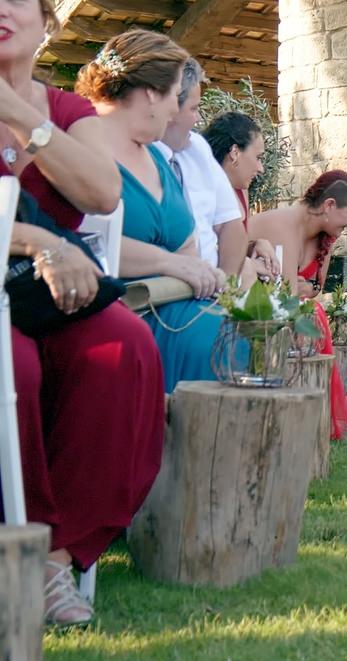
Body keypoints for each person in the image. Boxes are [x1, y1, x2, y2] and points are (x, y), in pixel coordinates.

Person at [1, 6, 165, 626]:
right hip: (25, 278)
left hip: (49, 298)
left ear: (46, 20)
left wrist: (17, 110)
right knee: (10, 363)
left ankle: (55, 558)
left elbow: (102, 192)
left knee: (122, 343)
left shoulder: (68, 111)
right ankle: (19, 541)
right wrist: (39, 240)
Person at [79, 29, 227, 392]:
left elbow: (187, 245)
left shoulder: (157, 157)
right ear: (150, 94)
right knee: (214, 337)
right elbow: (85, 242)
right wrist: (168, 263)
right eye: (175, 97)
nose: (177, 110)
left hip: (177, 304)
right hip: (116, 308)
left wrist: (201, 273)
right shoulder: (82, 143)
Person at [248, 170, 347, 439]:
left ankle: (310, 413)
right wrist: (302, 294)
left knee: (314, 311)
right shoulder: (284, 224)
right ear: (330, 205)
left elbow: (313, 288)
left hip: (280, 307)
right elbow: (285, 295)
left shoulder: (326, 238)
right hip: (243, 301)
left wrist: (310, 289)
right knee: (313, 313)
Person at [155, 57, 249, 277]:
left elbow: (231, 227)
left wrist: (225, 287)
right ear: (169, 109)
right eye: (194, 108)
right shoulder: (139, 153)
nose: (198, 120)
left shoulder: (197, 146)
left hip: (214, 287)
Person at [202, 110, 277, 281]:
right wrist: (247, 265)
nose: (261, 168)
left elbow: (231, 248)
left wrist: (254, 246)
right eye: (258, 158)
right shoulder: (201, 191)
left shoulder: (241, 190)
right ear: (235, 152)